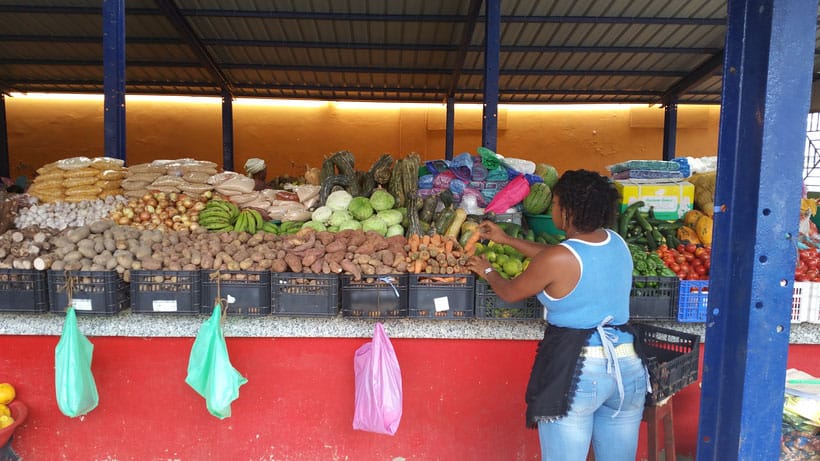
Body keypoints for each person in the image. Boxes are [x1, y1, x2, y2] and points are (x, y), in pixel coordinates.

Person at [467, 169, 650, 461]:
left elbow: (512, 292)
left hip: (578, 370)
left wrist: (487, 270)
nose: (552, 208)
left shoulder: (559, 259)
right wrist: (507, 240)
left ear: (567, 212)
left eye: (554, 203)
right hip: (628, 367)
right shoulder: (616, 242)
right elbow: (558, 255)